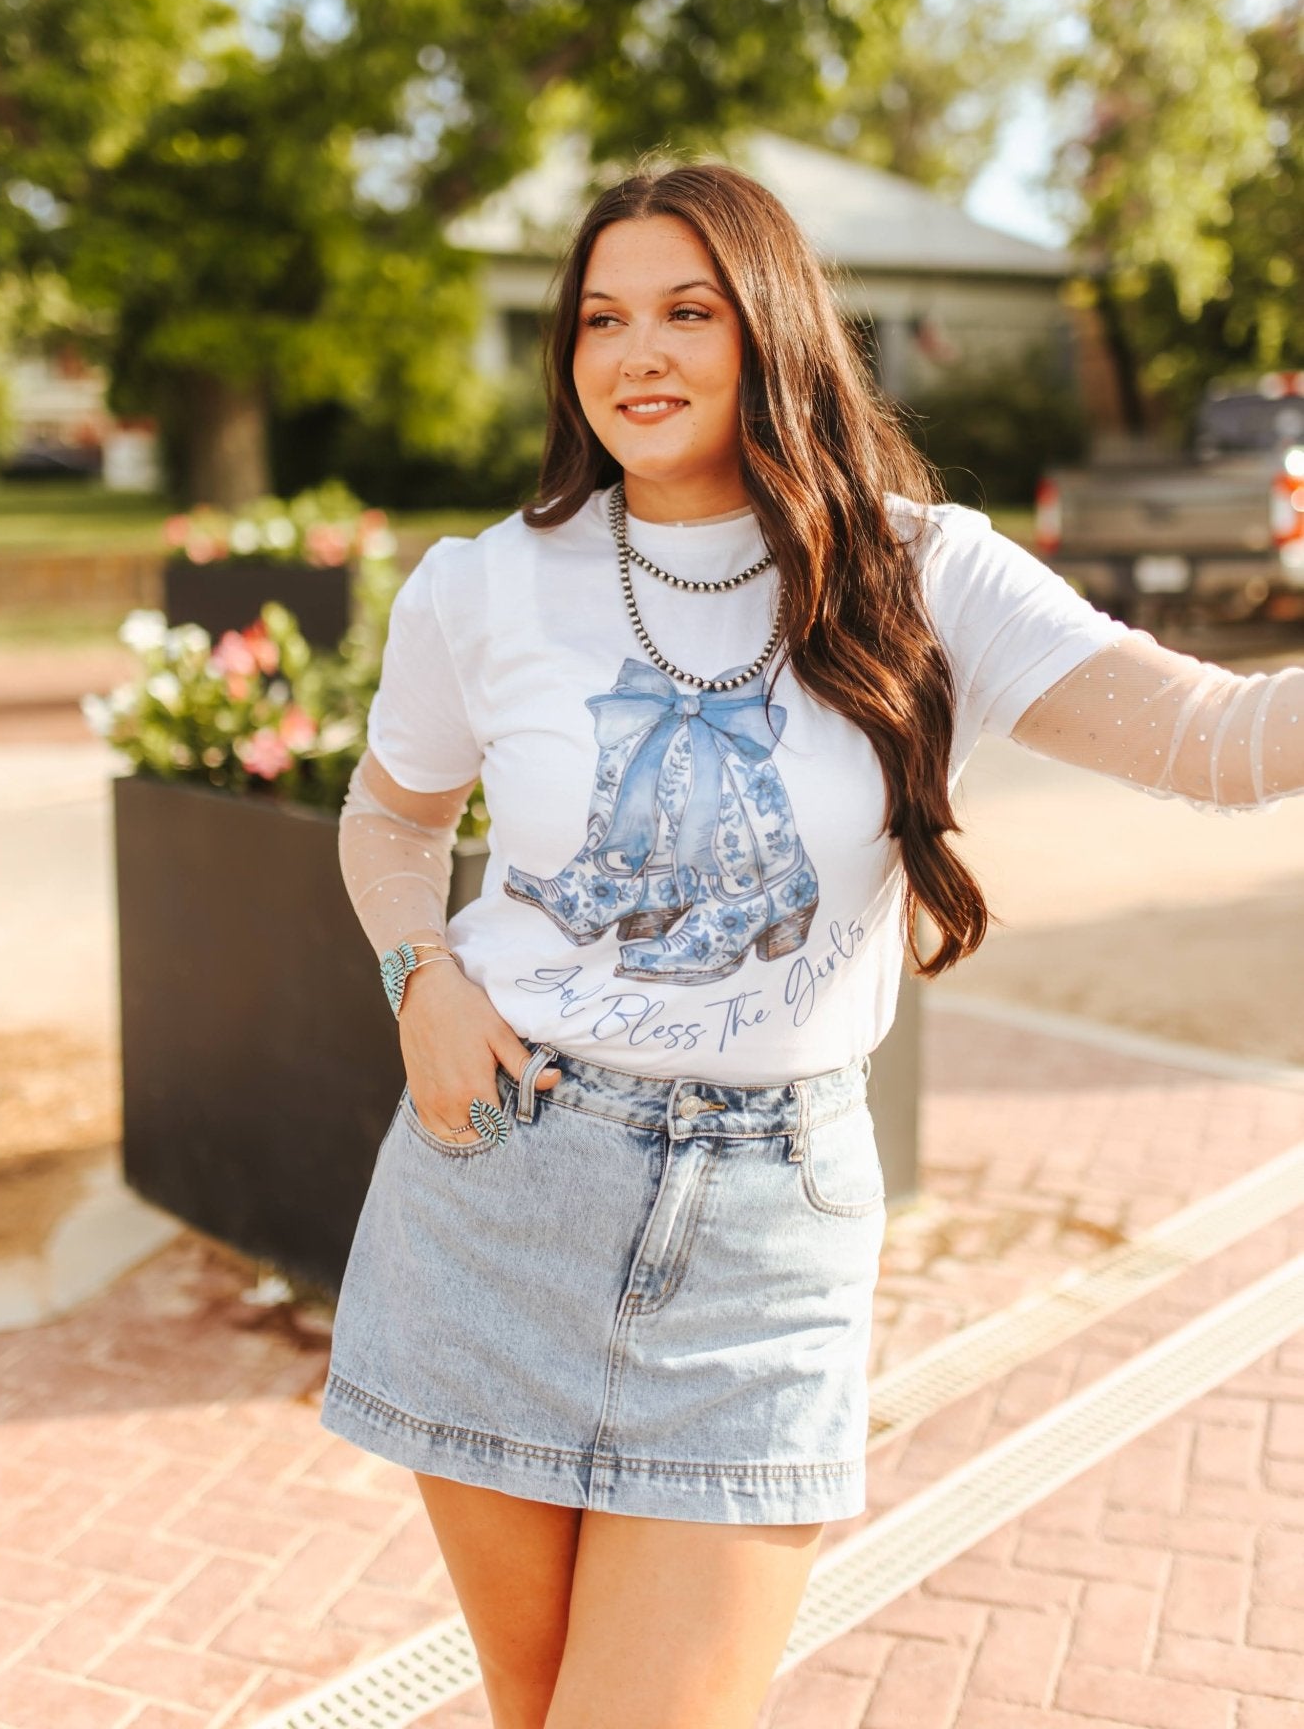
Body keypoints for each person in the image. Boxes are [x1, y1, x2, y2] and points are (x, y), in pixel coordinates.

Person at [320, 162, 1303, 1729]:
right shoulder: (487, 584)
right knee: (532, 1707)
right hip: (501, 1184)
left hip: (764, 1233)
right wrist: (415, 976)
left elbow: (1225, 742)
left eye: (686, 311)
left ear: (769, 327)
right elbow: (387, 819)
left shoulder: (926, 573)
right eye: (600, 318)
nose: (635, 353)